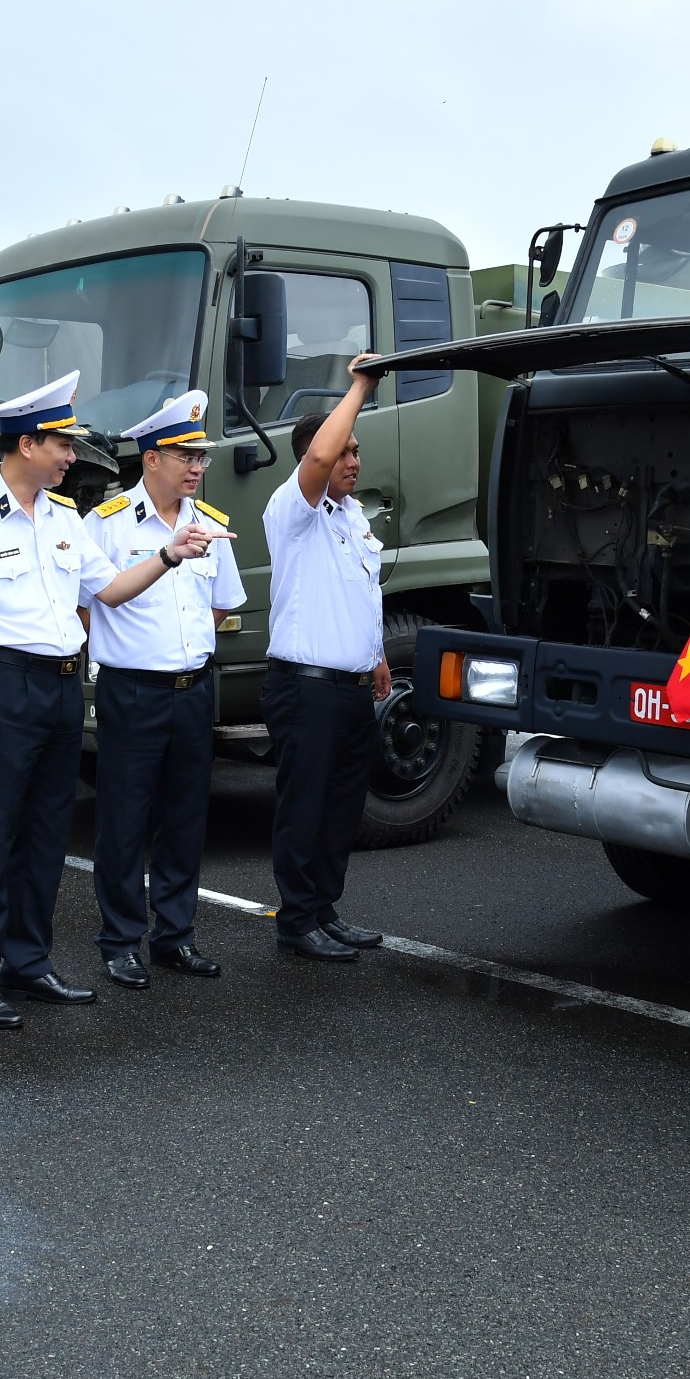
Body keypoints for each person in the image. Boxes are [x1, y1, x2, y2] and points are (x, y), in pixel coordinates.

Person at [0, 371, 227, 1030]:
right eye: (62, 444)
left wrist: (170, 555)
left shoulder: (63, 518)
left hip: (61, 685)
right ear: (28, 443)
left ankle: (28, 964)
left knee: (46, 837)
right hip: (3, 688)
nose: (71, 456)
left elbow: (110, 591)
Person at [83, 391, 246, 990]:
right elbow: (85, 606)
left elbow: (224, 604)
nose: (197, 465)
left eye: (200, 454)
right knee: (124, 819)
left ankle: (175, 936)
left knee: (185, 817)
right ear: (151, 458)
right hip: (132, 690)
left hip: (193, 689)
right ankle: (121, 940)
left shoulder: (213, 527)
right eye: (184, 454)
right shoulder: (103, 526)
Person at [259, 356, 391, 962]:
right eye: (344, 451)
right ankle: (297, 920)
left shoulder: (352, 515)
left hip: (350, 686)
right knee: (305, 806)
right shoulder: (293, 510)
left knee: (342, 806)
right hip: (305, 688)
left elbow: (359, 591)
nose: (353, 460)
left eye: (357, 451)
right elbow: (315, 459)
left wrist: (377, 655)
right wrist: (359, 386)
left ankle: (325, 910)